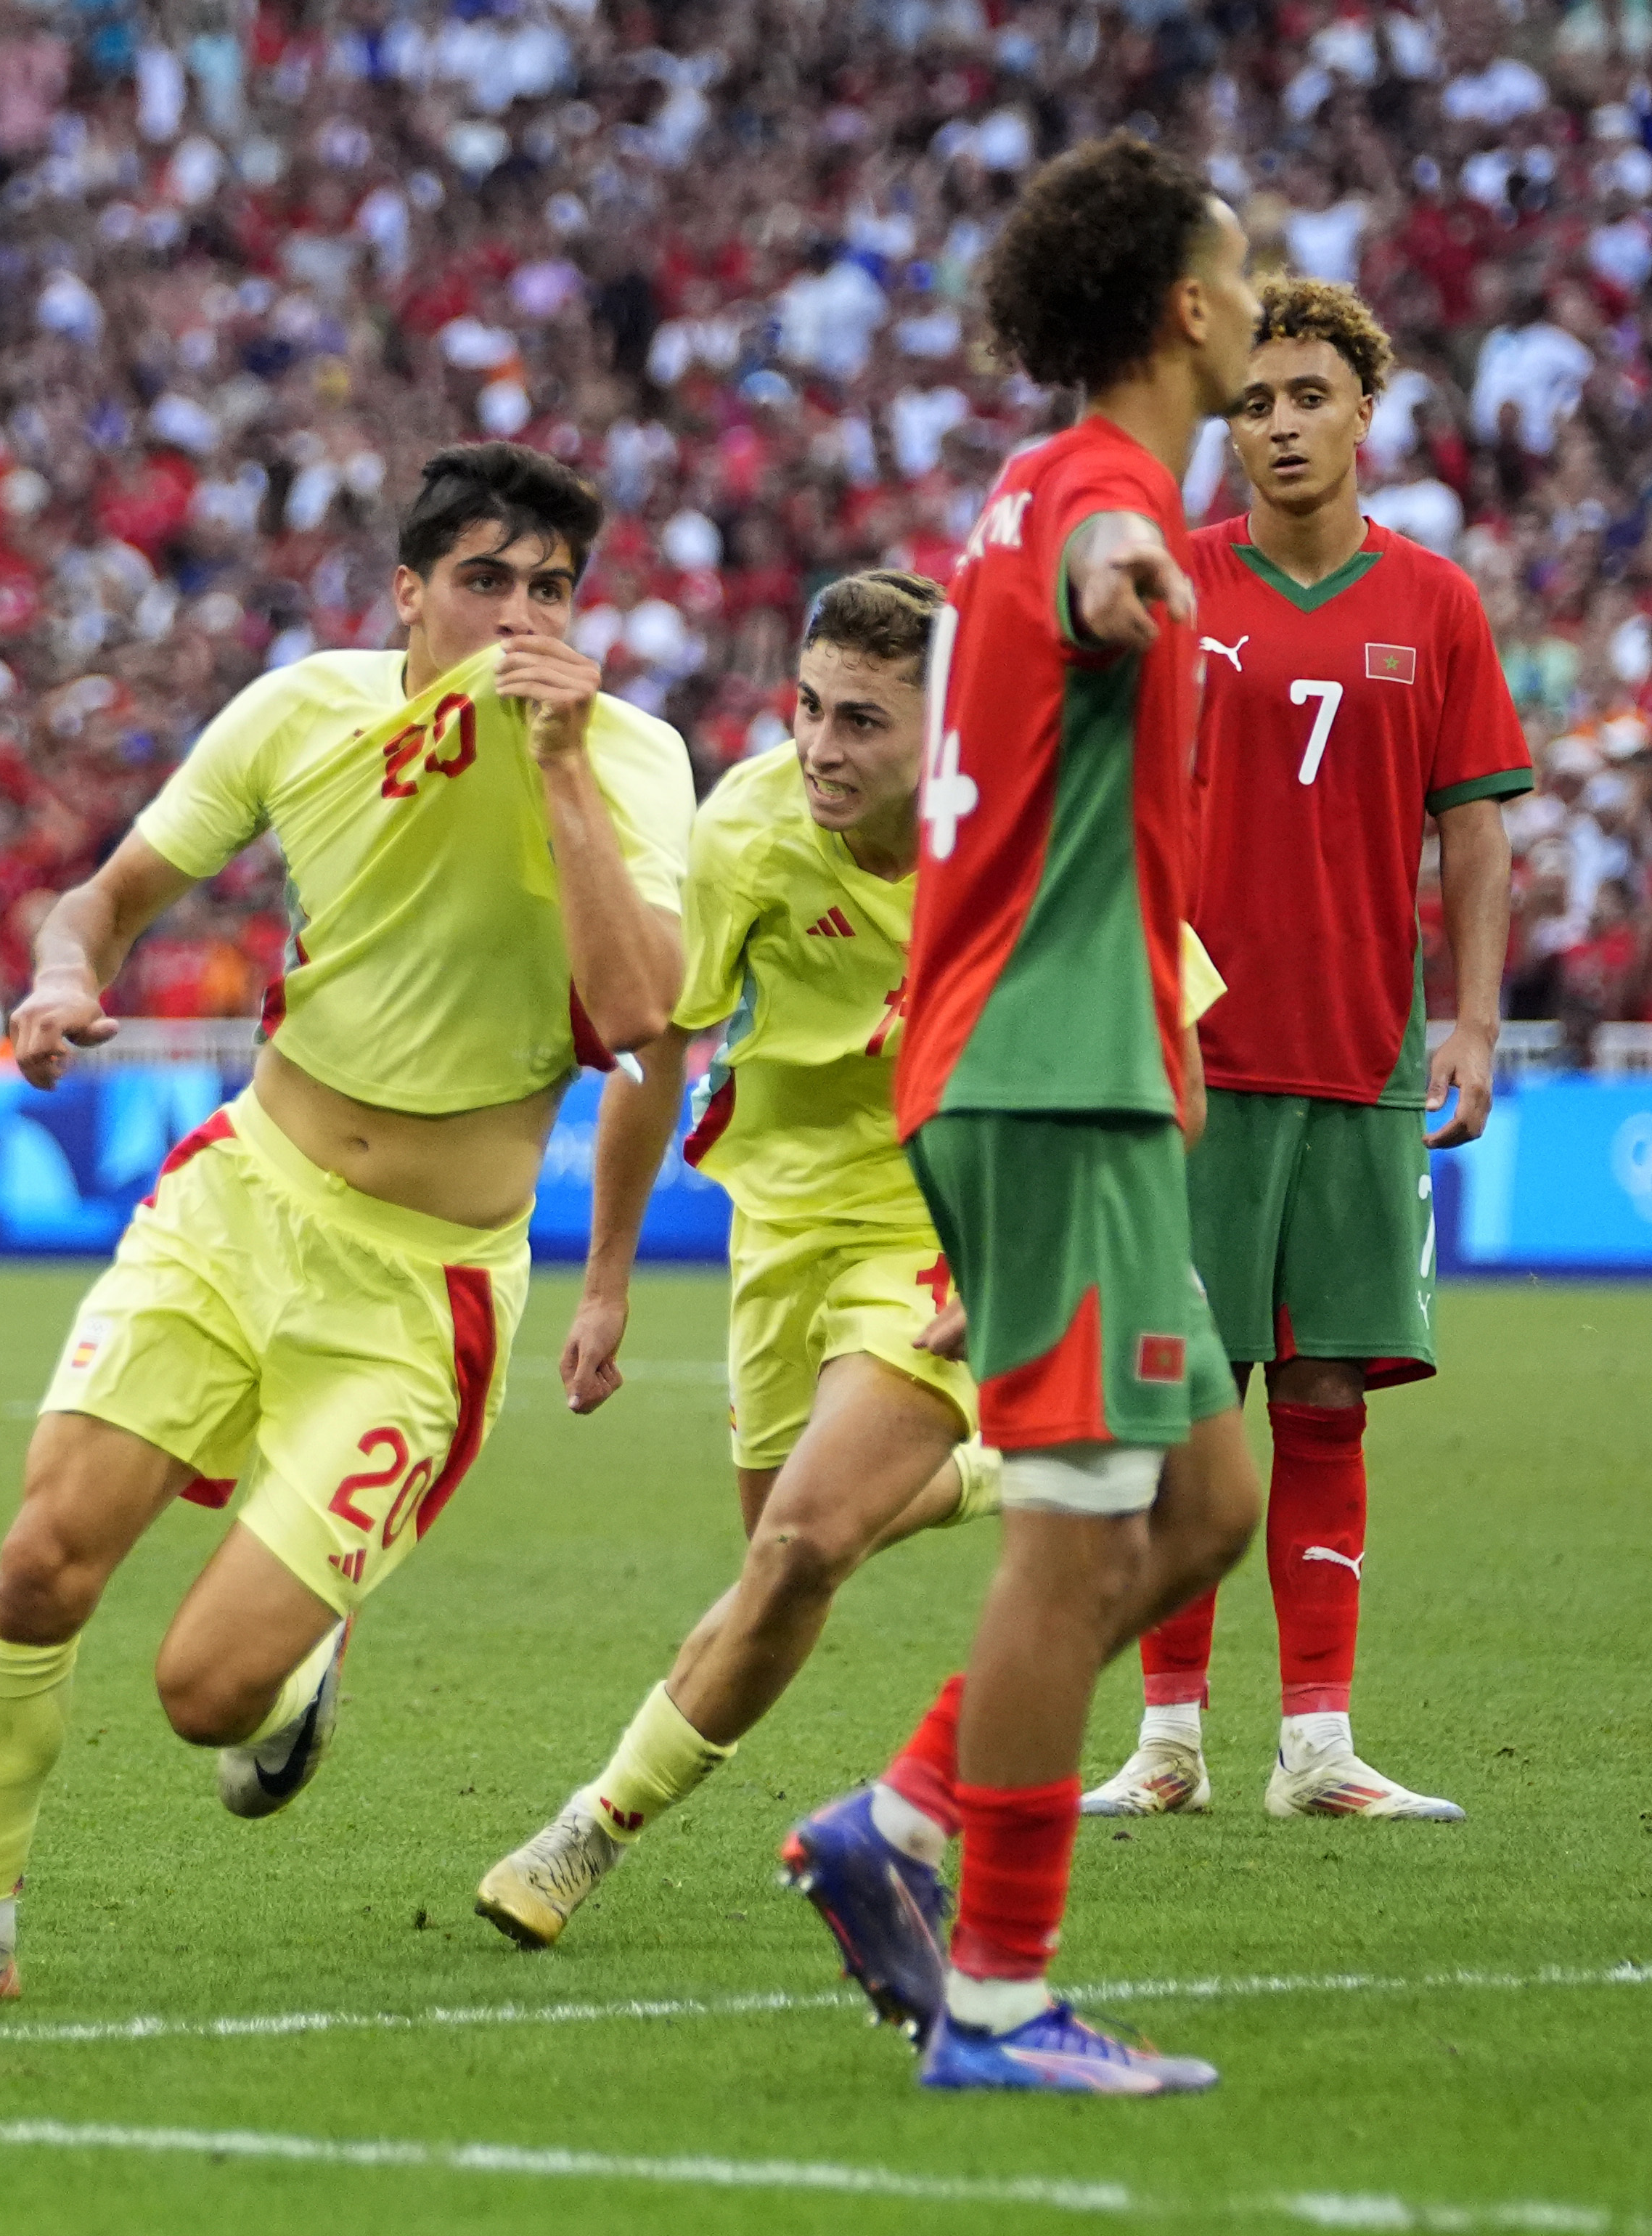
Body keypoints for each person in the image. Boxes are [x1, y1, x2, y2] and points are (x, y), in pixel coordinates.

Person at [0, 444, 695, 2007]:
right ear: (408, 594)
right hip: (239, 1200)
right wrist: (59, 978)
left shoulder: (634, 760)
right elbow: (100, 901)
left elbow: (644, 1014)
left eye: (552, 588)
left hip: (420, 1289)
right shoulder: (301, 710)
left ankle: (295, 1669)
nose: (520, 615)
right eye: (484, 582)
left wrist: (560, 765)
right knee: (39, 1564)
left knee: (203, 1692)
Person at [775, 134, 1265, 2095]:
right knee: (1073, 1537)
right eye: (1237, 271)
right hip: (1045, 1075)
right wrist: (1129, 577)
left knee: (1203, 1504)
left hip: (1061, 1069)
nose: (1253, 298)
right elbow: (1093, 561)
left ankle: (893, 1820)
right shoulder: (1097, 492)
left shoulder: (1029, 482)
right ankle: (992, 2001)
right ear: (1178, 306)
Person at [473, 571, 1006, 1951]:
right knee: (781, 1564)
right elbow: (662, 1041)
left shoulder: (1028, 831)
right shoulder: (750, 823)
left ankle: (586, 1829)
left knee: (799, 1545)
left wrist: (1038, 1249)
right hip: (777, 1222)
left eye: (863, 724)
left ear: (944, 731)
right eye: (809, 710)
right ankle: (997, 1471)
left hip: (938, 1222)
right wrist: (603, 1281)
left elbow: (1155, 1030)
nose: (821, 749)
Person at [1087, 278, 1531, 1825]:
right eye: (1252, 403)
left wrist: (1472, 1020)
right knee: (1183, 1395)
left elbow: (1472, 831)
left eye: (1305, 399)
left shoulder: (1436, 604)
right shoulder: (1169, 587)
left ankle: (1318, 1746)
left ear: (1365, 412)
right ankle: (1164, 1740)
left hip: (1358, 1052)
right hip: (1185, 1063)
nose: (1276, 425)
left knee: (1326, 1390)